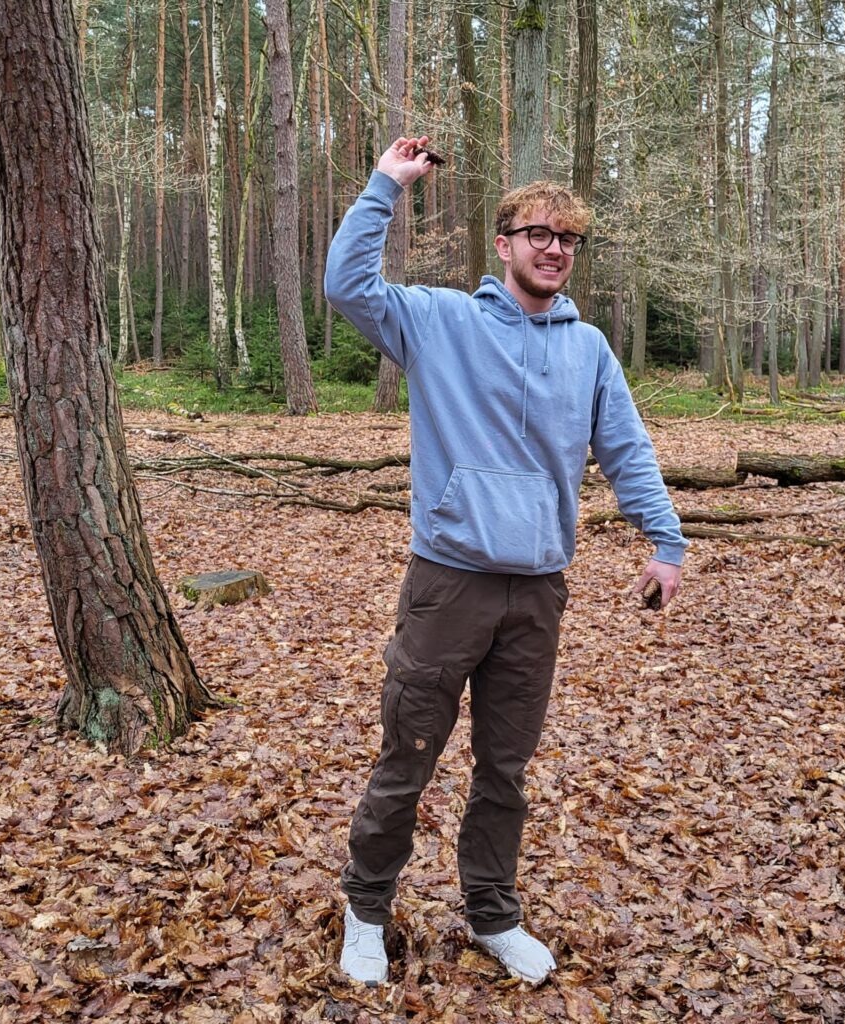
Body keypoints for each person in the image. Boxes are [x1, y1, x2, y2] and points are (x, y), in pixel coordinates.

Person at [323, 136, 687, 987]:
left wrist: (664, 539)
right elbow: (346, 285)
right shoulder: (441, 321)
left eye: (568, 238)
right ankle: (366, 910)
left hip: (538, 591)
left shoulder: (587, 348)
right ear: (505, 243)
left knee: (506, 770)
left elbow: (626, 448)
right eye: (539, 233)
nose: (555, 247)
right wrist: (387, 185)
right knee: (408, 754)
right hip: (448, 582)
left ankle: (492, 914)